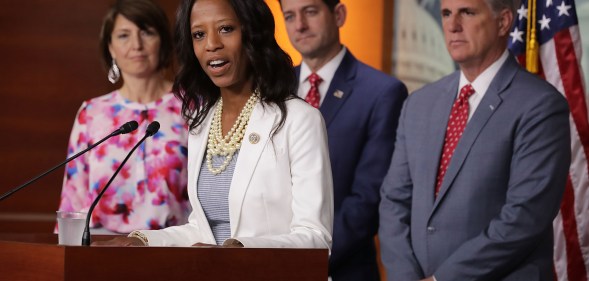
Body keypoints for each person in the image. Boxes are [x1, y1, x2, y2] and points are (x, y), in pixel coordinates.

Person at [93, 0, 333, 248]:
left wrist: (236, 252)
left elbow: (315, 238)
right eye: (199, 34)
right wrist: (141, 241)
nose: (212, 45)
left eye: (226, 29)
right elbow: (201, 230)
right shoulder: (202, 122)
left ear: (252, 33)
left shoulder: (299, 120)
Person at [379, 0, 571, 280]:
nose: (453, 26)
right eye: (446, 14)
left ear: (504, 22)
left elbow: (523, 218)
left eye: (467, 12)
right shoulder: (418, 103)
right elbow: (393, 201)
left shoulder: (540, 106)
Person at [278, 0, 408, 280]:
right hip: (270, 262)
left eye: (310, 11)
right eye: (290, 16)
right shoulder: (271, 89)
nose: (299, 25)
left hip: (341, 269)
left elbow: (368, 199)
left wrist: (302, 259)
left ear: (338, 14)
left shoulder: (382, 93)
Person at [57, 0, 190, 234]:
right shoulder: (91, 113)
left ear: (164, 42)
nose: (136, 45)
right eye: (123, 36)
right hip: (99, 249)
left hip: (172, 248)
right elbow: (73, 199)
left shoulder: (191, 106)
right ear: (110, 48)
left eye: (146, 33)